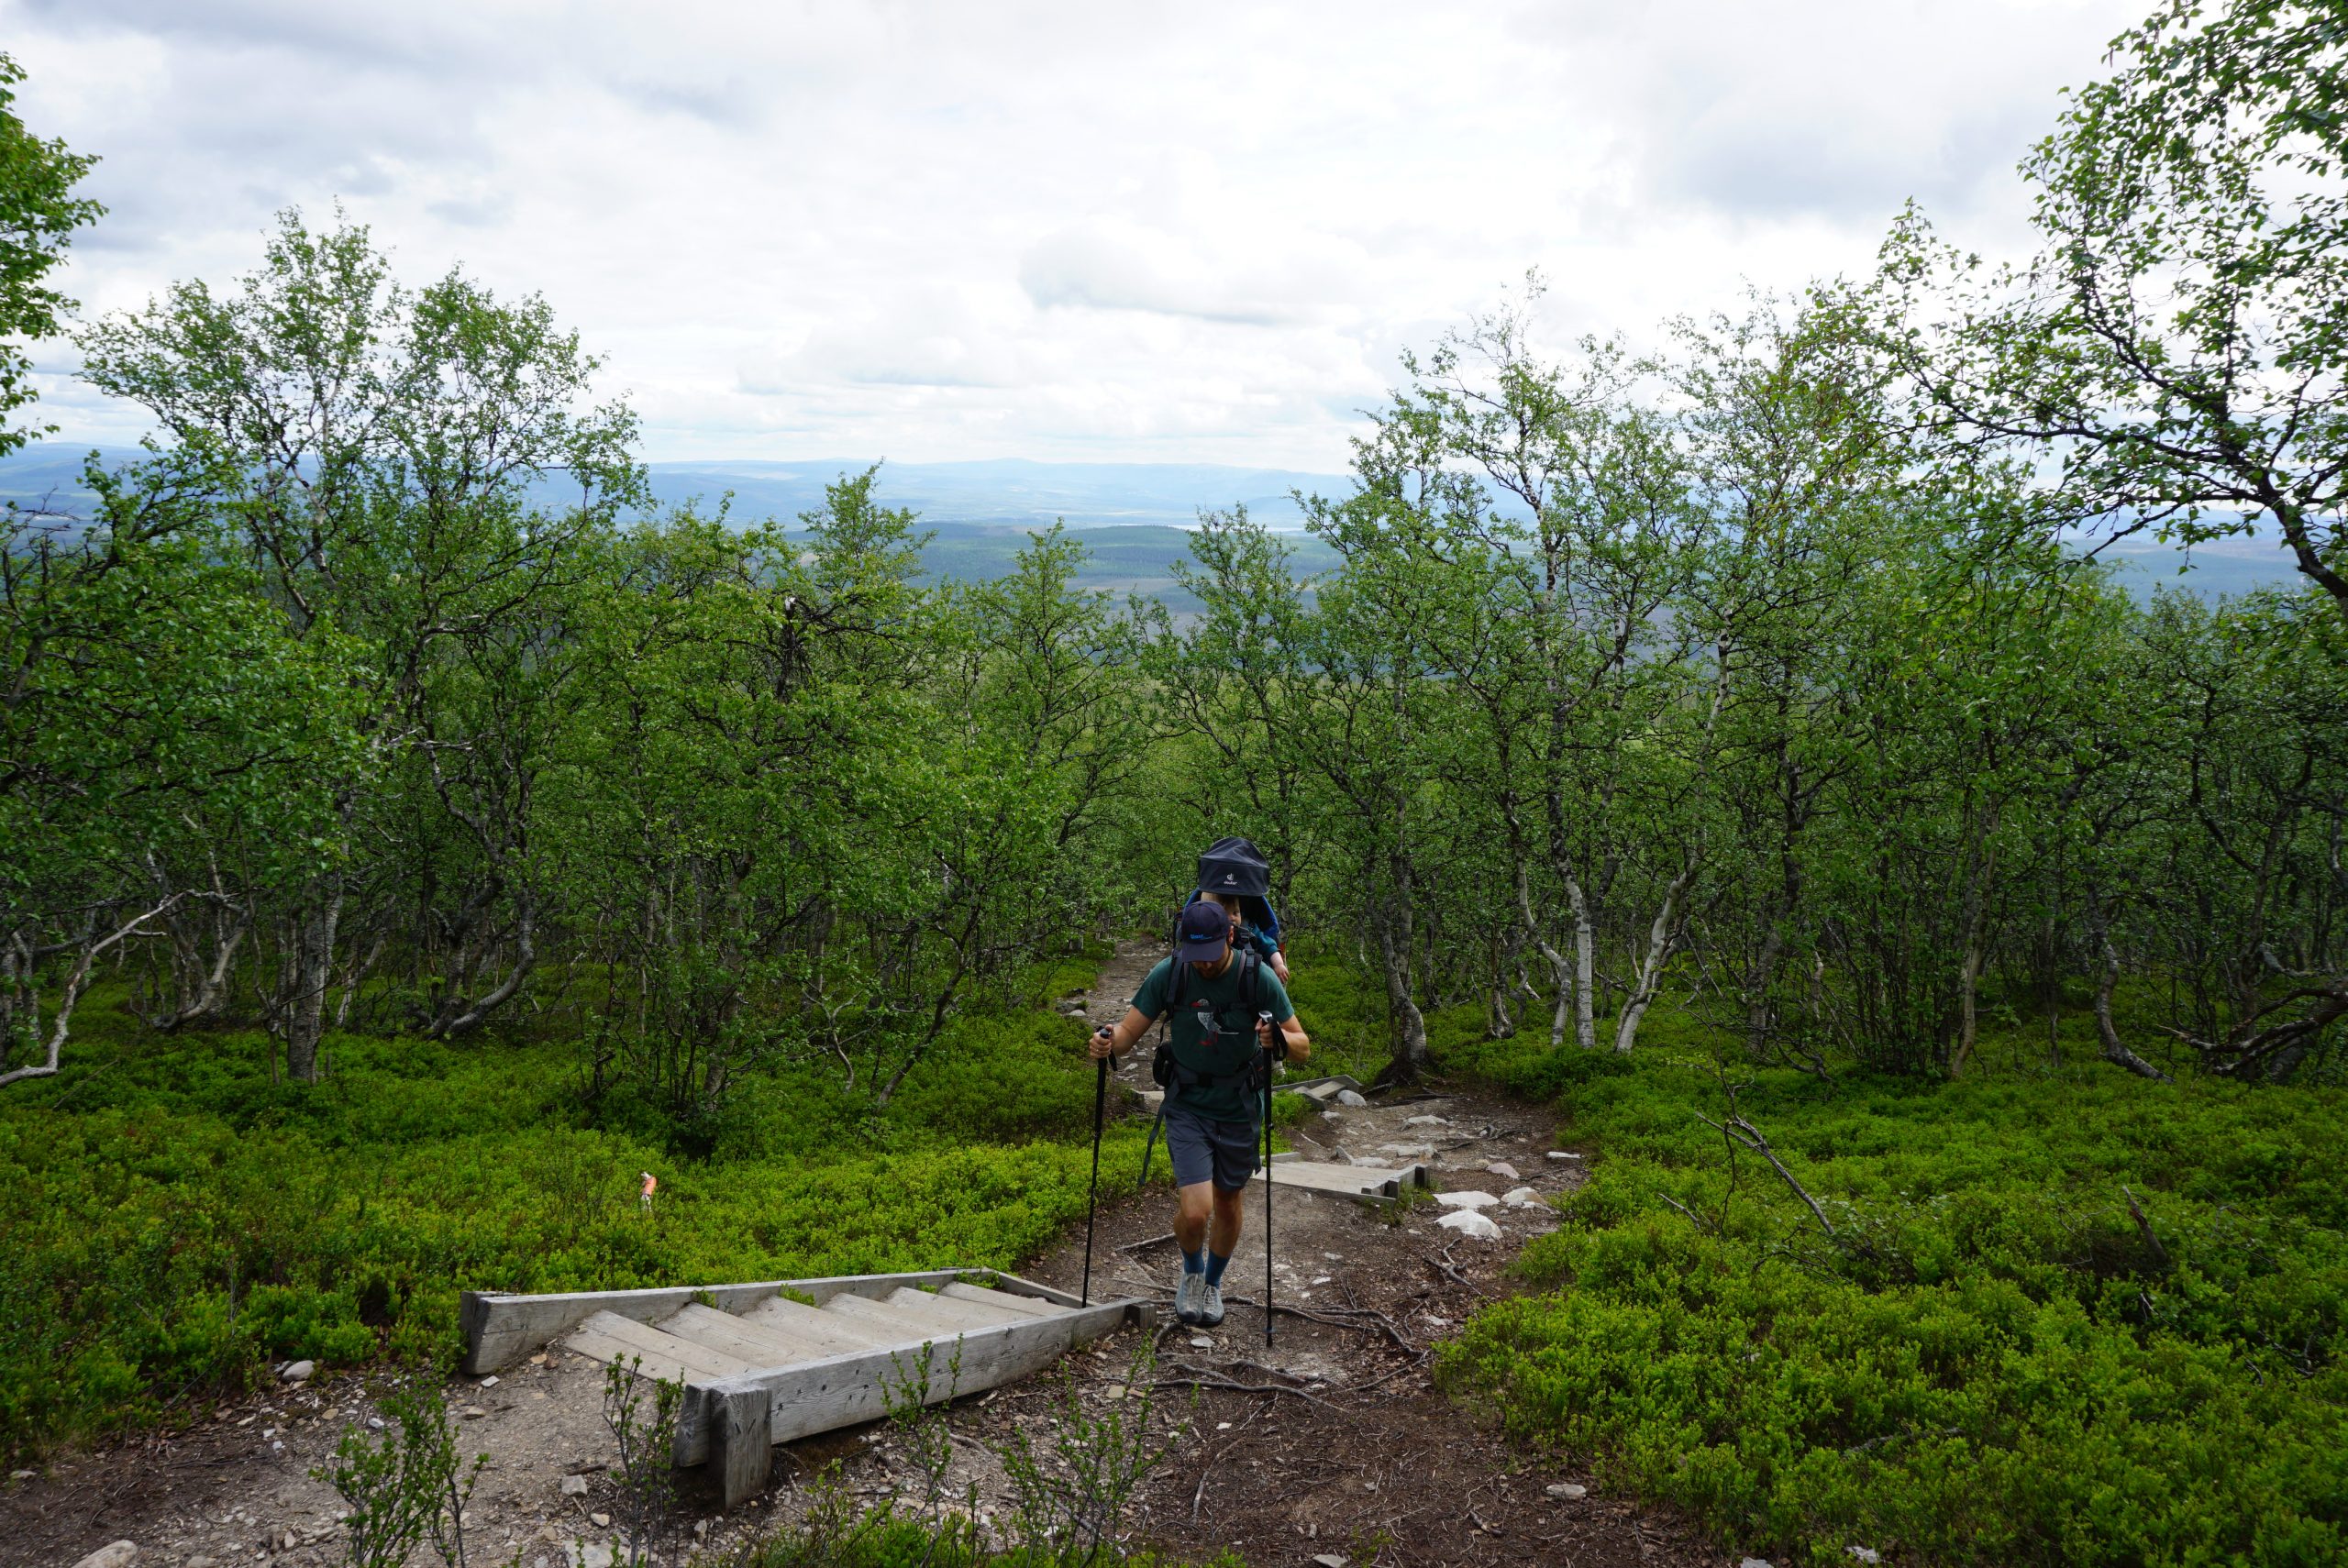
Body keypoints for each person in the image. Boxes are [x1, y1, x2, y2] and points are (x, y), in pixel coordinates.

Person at [1089, 900, 1309, 1327]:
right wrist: (1105, 1041)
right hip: (1188, 1105)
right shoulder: (1170, 973)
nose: (1203, 965)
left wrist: (1278, 1037)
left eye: (1210, 954)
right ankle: (1191, 1272)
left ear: (1230, 936)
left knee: (1227, 1201)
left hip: (1239, 1106)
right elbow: (1127, 1033)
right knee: (1195, 1210)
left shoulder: (1256, 976)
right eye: (1195, 956)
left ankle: (1213, 1283)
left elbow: (1302, 1045)